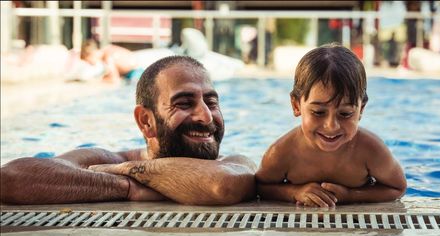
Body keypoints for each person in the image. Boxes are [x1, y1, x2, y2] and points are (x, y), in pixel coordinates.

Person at [0, 56, 256, 205]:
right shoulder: (104, 160)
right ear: (145, 121)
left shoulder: (233, 162)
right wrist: (127, 187)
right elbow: (10, 178)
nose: (205, 116)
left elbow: (223, 185)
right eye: (184, 103)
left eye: (211, 102)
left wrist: (128, 174)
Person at [255, 44, 407, 208]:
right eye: (318, 112)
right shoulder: (282, 152)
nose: (331, 126)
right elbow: (260, 187)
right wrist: (294, 192)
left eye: (345, 114)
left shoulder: (370, 150)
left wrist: (351, 196)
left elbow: (397, 187)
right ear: (296, 105)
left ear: (361, 109)